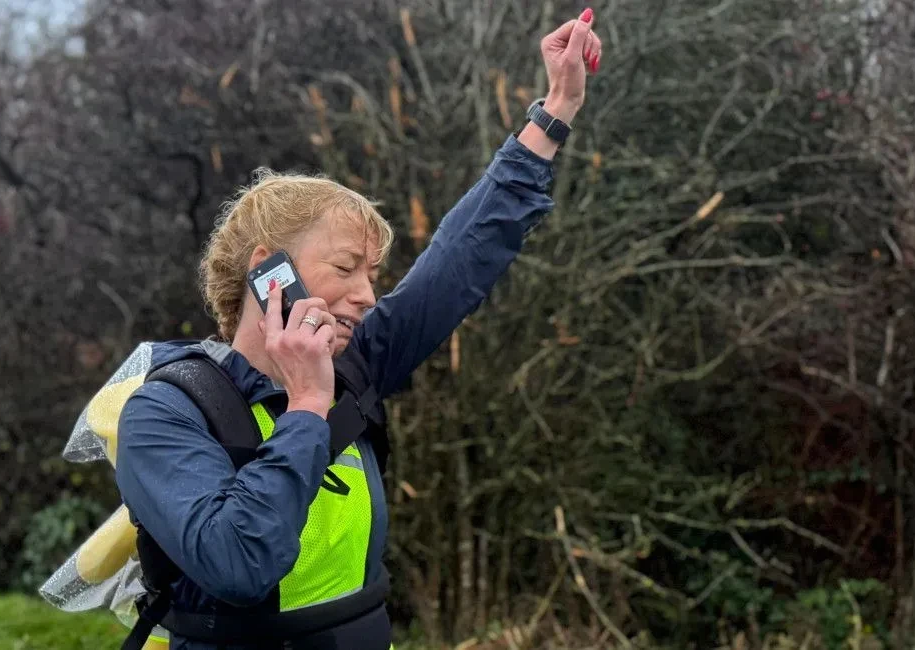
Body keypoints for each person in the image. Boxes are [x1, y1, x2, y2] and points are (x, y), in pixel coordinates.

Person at [114, 8, 603, 649]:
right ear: (269, 271)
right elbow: (238, 561)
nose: (368, 295)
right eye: (346, 267)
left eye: (372, 274)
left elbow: (463, 257)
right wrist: (308, 406)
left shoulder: (358, 364)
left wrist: (555, 109)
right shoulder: (164, 414)